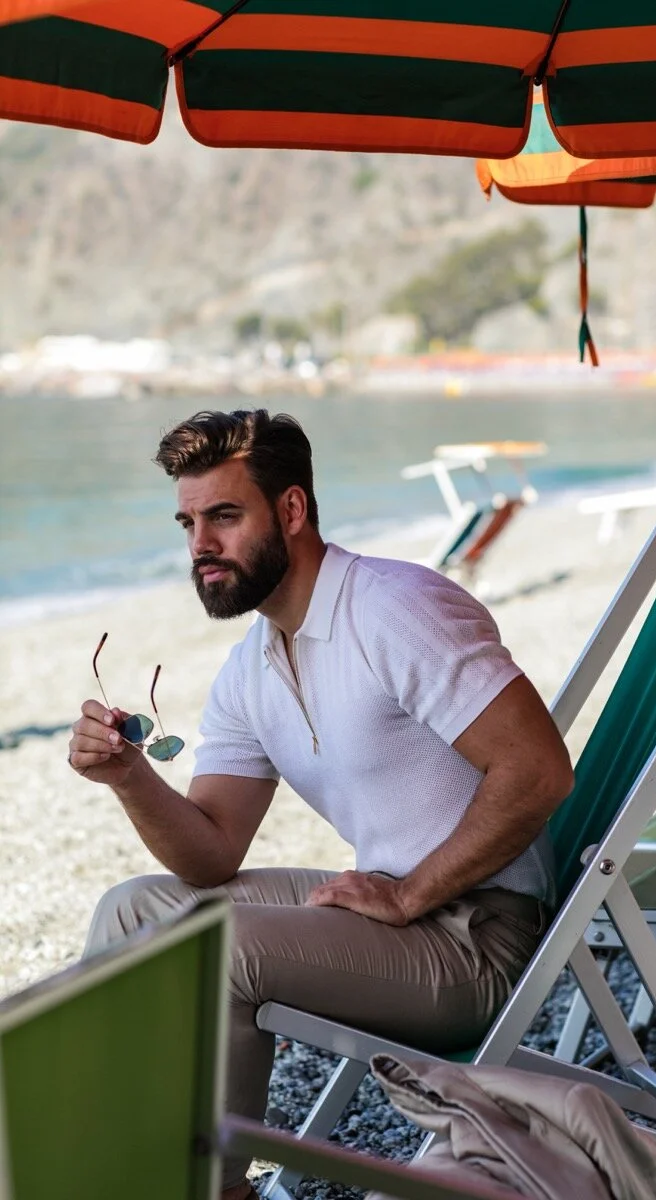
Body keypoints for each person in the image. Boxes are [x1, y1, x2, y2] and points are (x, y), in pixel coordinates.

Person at [67, 408, 574, 1200]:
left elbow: (538, 772)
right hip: (392, 916)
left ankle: (215, 1190)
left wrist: (410, 893)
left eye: (224, 516)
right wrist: (131, 777)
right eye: (189, 523)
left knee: (216, 948)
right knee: (133, 911)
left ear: (293, 510)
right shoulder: (253, 667)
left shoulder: (394, 609)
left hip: (477, 938)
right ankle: (126, 1164)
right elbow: (210, 852)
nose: (200, 544)